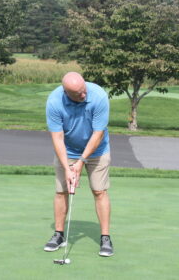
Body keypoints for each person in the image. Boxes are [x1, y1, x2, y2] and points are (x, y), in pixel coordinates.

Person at [43, 72, 113, 257]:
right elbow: (57, 138)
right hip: (68, 151)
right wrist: (68, 168)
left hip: (97, 150)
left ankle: (105, 237)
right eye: (77, 93)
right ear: (66, 92)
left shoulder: (98, 96)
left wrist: (81, 161)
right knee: (61, 191)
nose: (83, 95)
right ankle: (58, 235)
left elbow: (98, 134)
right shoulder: (54, 102)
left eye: (84, 90)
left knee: (99, 191)